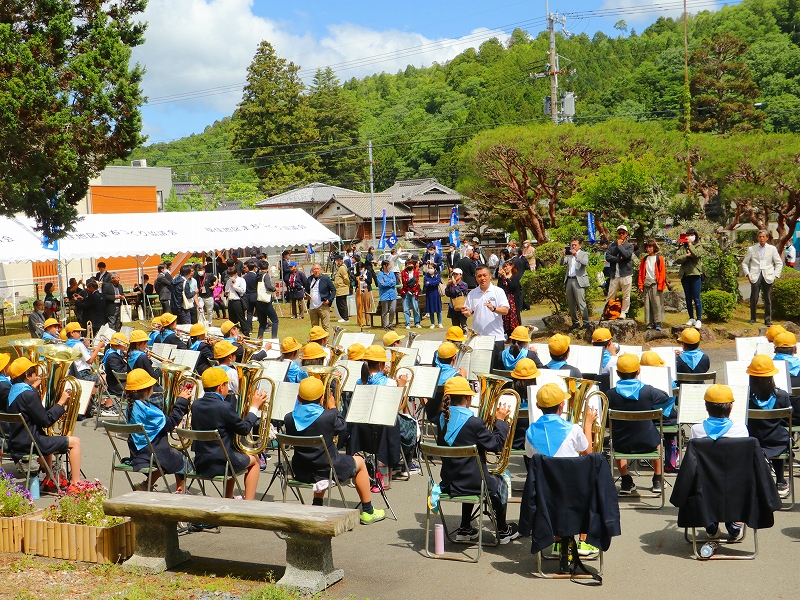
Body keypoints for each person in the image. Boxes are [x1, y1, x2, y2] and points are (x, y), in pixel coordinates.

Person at [283, 377, 386, 524]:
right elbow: (342, 427)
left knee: (319, 459)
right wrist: (333, 407)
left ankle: (317, 505)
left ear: (299, 397)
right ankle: (368, 511)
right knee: (361, 462)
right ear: (322, 397)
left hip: (301, 470)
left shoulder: (288, 418)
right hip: (327, 468)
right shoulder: (329, 415)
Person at [431, 376, 520, 544]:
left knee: (473, 475)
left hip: (450, 482)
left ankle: (465, 527)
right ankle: (502, 530)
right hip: (474, 484)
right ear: (468, 398)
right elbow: (496, 445)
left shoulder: (441, 420)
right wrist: (500, 422)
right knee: (500, 481)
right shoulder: (474, 423)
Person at [524, 382, 600, 559]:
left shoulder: (530, 431)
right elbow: (588, 451)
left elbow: (530, 456)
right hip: (575, 490)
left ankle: (558, 541)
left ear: (537, 406)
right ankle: (584, 539)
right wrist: (588, 424)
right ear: (562, 405)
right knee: (592, 482)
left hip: (545, 493)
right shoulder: (573, 429)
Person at [685, 384, 750, 541]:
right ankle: (736, 523)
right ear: (731, 407)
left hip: (706, 485)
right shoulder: (742, 429)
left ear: (706, 407)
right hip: (735, 485)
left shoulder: (696, 430)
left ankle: (710, 523)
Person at [7, 357, 81, 492]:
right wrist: (61, 402)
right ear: (28, 375)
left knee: (47, 436)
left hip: (17, 442)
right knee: (75, 442)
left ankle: (49, 478)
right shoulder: (28, 395)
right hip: (32, 443)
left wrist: (33, 389)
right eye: (34, 372)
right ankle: (76, 483)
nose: (37, 375)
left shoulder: (13, 391)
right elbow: (46, 421)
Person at [190, 367, 266, 499]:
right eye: (227, 385)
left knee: (232, 453)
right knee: (256, 460)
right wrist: (254, 407)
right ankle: (249, 502)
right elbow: (245, 429)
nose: (228, 389)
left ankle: (229, 497)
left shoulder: (195, 404)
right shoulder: (225, 407)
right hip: (223, 464)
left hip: (201, 463)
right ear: (221, 387)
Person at [607, 354, 675, 495]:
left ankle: (626, 481)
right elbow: (666, 398)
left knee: (617, 437)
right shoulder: (648, 391)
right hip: (647, 442)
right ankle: (657, 479)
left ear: (618, 373)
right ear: (639, 371)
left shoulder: (610, 394)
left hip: (621, 444)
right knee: (658, 439)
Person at [125, 368, 192, 492]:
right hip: (149, 453)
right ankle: (181, 489)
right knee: (181, 455)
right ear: (146, 390)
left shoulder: (133, 405)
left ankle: (146, 485)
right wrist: (181, 401)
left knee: (172, 454)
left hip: (137, 451)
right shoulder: (146, 410)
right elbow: (170, 425)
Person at [745, 355, 791, 498]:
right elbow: (787, 420)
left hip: (753, 442)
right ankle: (781, 481)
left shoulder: (746, 397)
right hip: (777, 442)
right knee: (781, 435)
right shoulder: (782, 396)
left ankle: (756, 483)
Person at [460, 265, 510, 369]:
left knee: (496, 369)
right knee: (480, 369)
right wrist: (466, 312)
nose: (482, 278)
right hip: (478, 338)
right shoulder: (472, 293)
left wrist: (494, 309)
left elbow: (505, 310)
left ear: (490, 276)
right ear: (476, 278)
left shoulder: (498, 291)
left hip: (496, 337)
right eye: (479, 276)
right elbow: (469, 312)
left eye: (484, 275)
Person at [742, 229, 783, 326]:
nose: (762, 238)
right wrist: (747, 274)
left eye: (763, 236)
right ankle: (753, 318)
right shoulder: (752, 249)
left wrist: (776, 275)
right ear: (757, 238)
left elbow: (779, 263)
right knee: (754, 298)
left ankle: (767, 319)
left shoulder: (772, 249)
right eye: (760, 237)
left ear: (767, 238)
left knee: (768, 299)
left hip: (768, 275)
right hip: (755, 275)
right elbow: (744, 263)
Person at [674, 227, 705, 328]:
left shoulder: (699, 246)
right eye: (688, 235)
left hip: (695, 275)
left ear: (695, 236)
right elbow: (678, 259)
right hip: (685, 275)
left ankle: (699, 319)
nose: (689, 237)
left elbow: (696, 254)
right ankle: (691, 318)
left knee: (697, 298)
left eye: (692, 235)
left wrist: (690, 246)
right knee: (688, 298)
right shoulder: (682, 247)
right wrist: (686, 256)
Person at [604, 225, 634, 319]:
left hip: (626, 274)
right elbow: (607, 257)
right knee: (611, 295)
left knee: (626, 295)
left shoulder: (629, 246)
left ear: (626, 234)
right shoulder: (612, 245)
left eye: (623, 233)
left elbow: (626, 256)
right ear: (617, 234)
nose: (621, 234)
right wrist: (618, 259)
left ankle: (623, 312)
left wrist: (620, 246)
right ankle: (607, 312)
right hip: (614, 274)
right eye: (619, 233)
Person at [638, 239, 667, 331]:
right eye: (647, 247)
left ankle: (658, 322)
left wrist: (661, 285)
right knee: (647, 303)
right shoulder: (644, 259)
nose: (648, 248)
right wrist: (640, 284)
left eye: (650, 247)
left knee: (657, 303)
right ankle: (650, 322)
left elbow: (662, 273)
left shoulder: (659, 258)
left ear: (654, 248)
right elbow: (641, 273)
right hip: (646, 282)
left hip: (656, 283)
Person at [563, 237, 590, 330]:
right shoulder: (569, 255)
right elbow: (562, 263)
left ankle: (586, 322)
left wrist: (576, 256)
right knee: (571, 303)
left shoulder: (584, 254)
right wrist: (563, 255)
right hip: (569, 280)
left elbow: (585, 262)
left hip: (578, 280)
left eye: (575, 245)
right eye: (572, 245)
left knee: (581, 302)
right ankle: (575, 322)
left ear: (580, 245)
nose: (573, 246)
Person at [102, 332, 129, 413]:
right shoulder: (113, 356)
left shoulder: (112, 354)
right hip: (116, 385)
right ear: (116, 345)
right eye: (123, 344)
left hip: (116, 383)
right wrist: (130, 362)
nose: (125, 346)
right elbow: (119, 372)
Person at [305, 263, 336, 333]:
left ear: (320, 270)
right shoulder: (309, 279)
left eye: (317, 269)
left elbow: (333, 290)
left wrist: (329, 300)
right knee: (314, 327)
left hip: (323, 305)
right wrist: (307, 296)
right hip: (312, 306)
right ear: (312, 270)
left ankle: (326, 343)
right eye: (314, 269)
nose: (316, 271)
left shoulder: (325, 278)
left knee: (325, 326)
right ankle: (316, 343)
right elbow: (306, 290)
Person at [497, 260, 521, 333]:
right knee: (506, 317)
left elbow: (513, 287)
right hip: (505, 298)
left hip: (512, 299)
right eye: (504, 266)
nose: (505, 268)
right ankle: (508, 335)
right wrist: (501, 277)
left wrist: (506, 278)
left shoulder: (515, 276)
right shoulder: (502, 278)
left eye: (507, 266)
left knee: (513, 316)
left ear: (511, 266)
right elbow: (499, 288)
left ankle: (515, 334)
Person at [400, 259, 422, 329]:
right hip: (405, 291)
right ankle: (408, 323)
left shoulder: (416, 272)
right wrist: (408, 290)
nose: (410, 265)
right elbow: (404, 282)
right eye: (408, 264)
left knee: (415, 308)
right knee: (406, 308)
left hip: (414, 292)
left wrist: (413, 290)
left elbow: (417, 282)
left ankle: (417, 322)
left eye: (411, 264)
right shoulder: (403, 272)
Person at [376, 260, 397, 331]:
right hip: (384, 295)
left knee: (392, 310)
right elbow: (382, 284)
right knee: (384, 311)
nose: (390, 266)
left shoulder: (392, 273)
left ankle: (390, 324)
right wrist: (390, 282)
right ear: (384, 266)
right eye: (389, 265)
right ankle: (385, 325)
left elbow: (394, 282)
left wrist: (387, 282)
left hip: (392, 295)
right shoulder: (380, 274)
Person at [355, 261, 374, 329]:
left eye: (361, 268)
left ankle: (368, 321)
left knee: (367, 305)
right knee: (359, 305)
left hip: (366, 289)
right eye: (359, 268)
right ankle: (360, 321)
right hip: (358, 289)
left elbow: (370, 281)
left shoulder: (368, 272)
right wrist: (356, 280)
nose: (360, 269)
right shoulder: (357, 274)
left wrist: (365, 279)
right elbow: (354, 283)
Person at [423, 264, 443, 329]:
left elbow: (437, 282)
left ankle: (440, 323)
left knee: (438, 309)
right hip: (429, 294)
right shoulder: (426, 276)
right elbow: (426, 285)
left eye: (431, 268)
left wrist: (430, 283)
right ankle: (432, 323)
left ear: (434, 269)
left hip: (436, 294)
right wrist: (432, 283)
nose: (430, 269)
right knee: (431, 309)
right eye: (429, 268)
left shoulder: (437, 275)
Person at [333, 254, 351, 323]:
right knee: (339, 303)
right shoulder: (339, 267)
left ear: (340, 260)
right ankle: (343, 317)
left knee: (342, 303)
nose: (336, 261)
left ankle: (345, 318)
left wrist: (348, 285)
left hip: (342, 288)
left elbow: (346, 278)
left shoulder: (343, 268)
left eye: (337, 260)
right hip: (339, 288)